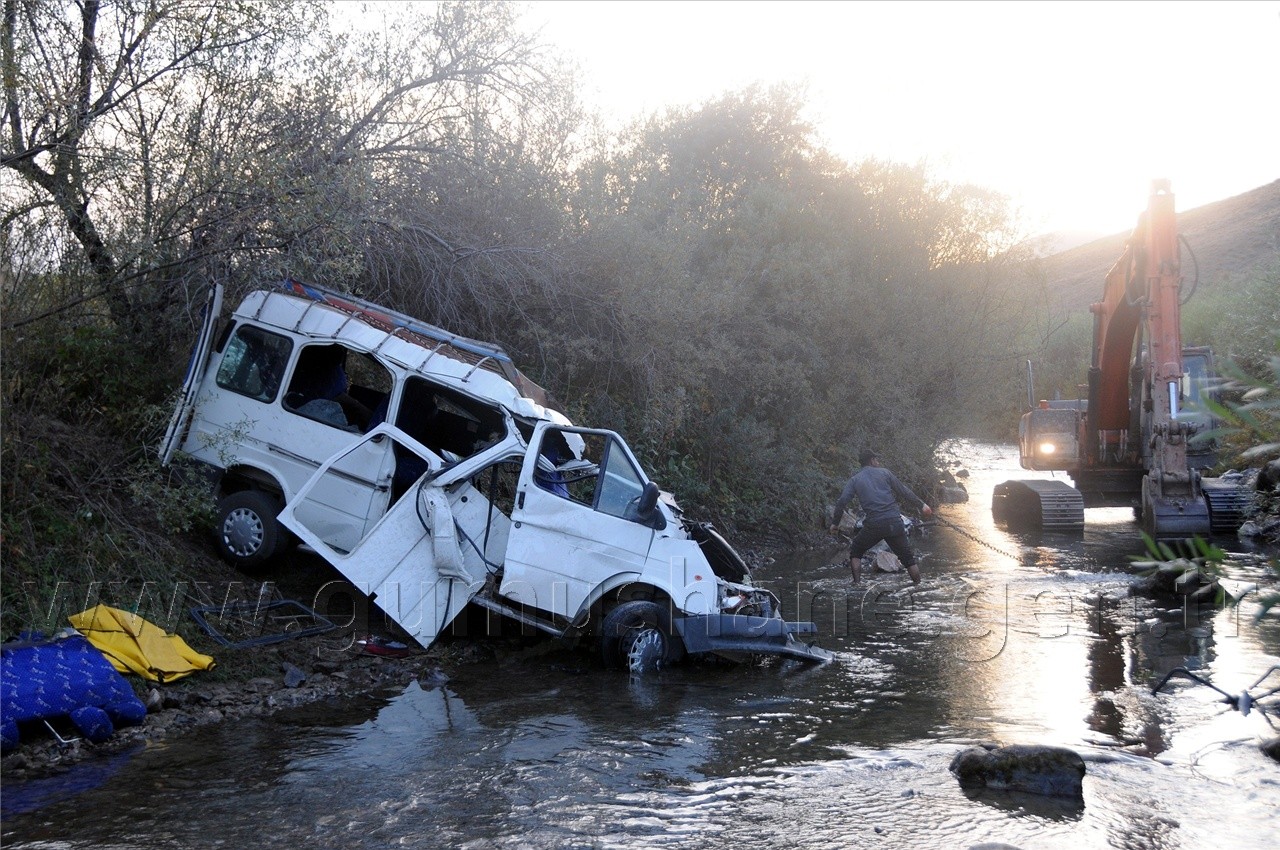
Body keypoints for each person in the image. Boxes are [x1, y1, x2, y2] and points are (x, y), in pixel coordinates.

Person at [829, 449, 932, 584]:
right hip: (894, 523)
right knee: (908, 558)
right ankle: (918, 587)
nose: (878, 462)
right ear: (871, 461)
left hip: (874, 525)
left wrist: (835, 523)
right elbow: (903, 491)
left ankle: (857, 585)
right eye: (876, 459)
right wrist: (922, 505)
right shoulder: (885, 473)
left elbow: (842, 502)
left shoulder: (855, 480)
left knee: (856, 551)